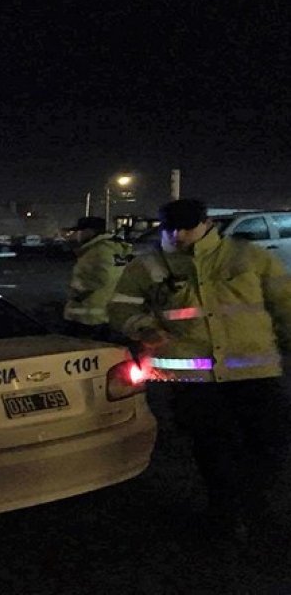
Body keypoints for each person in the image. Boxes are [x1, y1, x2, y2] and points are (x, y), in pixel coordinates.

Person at [108, 198, 291, 540]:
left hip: (254, 373)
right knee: (213, 449)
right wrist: (143, 327)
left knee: (269, 443)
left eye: (187, 227)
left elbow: (285, 302)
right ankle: (225, 515)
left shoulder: (248, 256)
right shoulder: (148, 265)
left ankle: (256, 508)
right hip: (194, 379)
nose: (178, 235)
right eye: (170, 228)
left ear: (206, 224)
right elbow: (120, 307)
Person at [62, 216, 133, 341]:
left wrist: (76, 293)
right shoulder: (115, 248)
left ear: (89, 231)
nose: (77, 235)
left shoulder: (97, 251)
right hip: (106, 312)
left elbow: (99, 278)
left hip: (87, 316)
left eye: (80, 231)